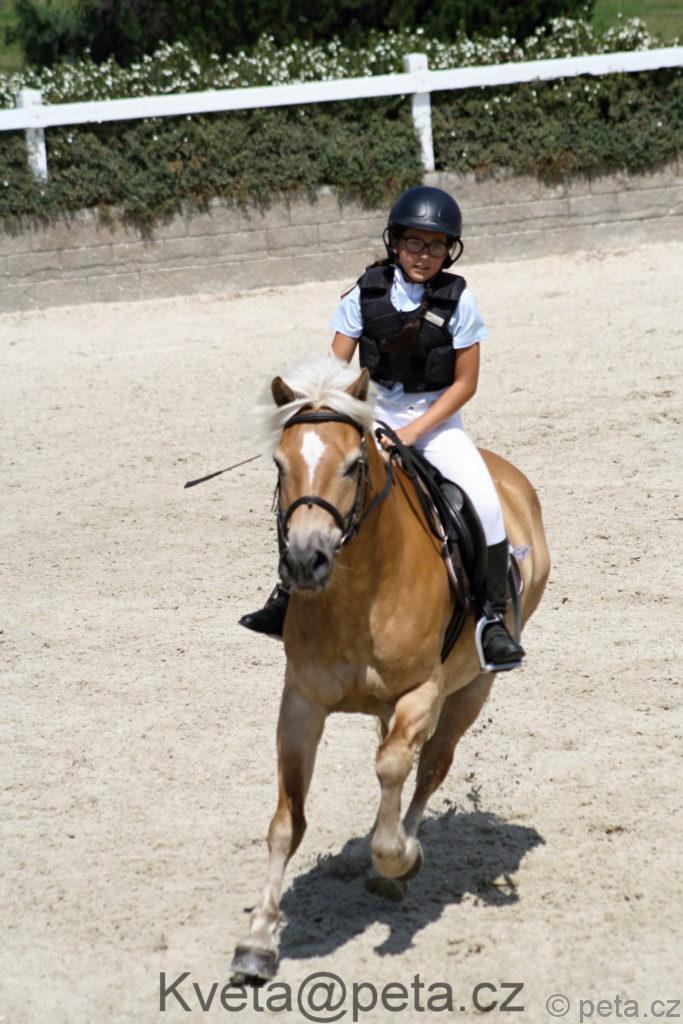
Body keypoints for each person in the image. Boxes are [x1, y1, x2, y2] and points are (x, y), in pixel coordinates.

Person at [240, 185, 525, 669]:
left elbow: (465, 384)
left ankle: (492, 620)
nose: (424, 254)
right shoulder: (365, 292)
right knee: (309, 486)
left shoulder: (460, 300)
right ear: (395, 242)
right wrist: (318, 421)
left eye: (436, 245)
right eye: (414, 243)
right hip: (371, 413)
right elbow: (334, 368)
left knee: (484, 502)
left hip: (435, 420)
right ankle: (287, 593)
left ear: (449, 251)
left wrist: (413, 434)